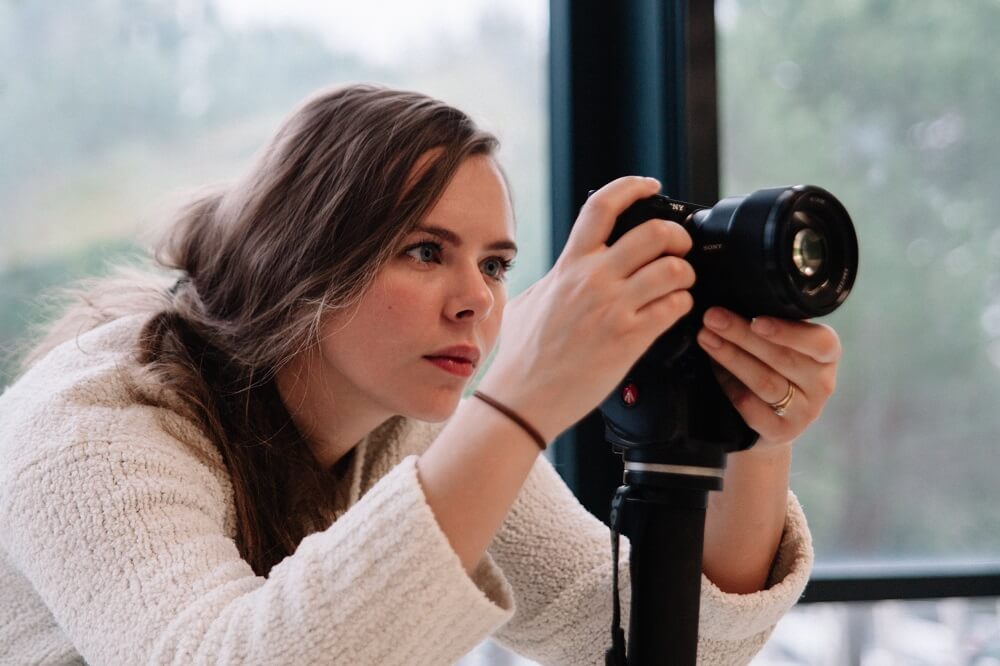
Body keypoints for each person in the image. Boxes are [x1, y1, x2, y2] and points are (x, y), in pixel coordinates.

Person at [0, 83, 838, 665]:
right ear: (303, 259)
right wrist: (520, 401)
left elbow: (647, 637)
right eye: (425, 251)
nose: (476, 300)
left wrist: (750, 430)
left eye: (498, 263)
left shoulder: (405, 418)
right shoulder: (95, 425)